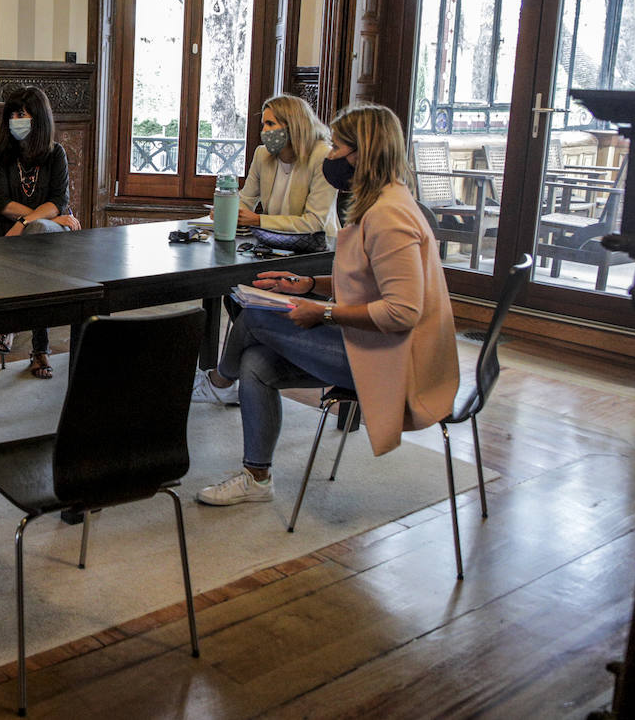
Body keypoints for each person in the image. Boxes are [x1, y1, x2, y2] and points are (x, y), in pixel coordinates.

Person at [195, 103, 459, 506]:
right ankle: (257, 478)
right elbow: (369, 280)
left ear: (363, 154)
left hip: (396, 361)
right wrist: (308, 284)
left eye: (337, 148)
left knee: (254, 318)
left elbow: (402, 311)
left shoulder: (391, 216)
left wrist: (324, 311)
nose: (330, 156)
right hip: (370, 344)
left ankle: (218, 379)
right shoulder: (386, 201)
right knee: (257, 363)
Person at [194, 94, 339, 404]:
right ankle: (235, 373)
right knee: (236, 290)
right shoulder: (263, 155)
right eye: (264, 124)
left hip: (314, 255)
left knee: (252, 302)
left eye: (272, 124)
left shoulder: (322, 157)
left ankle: (223, 379)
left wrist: (258, 218)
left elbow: (314, 222)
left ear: (293, 125)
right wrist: (225, 211)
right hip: (271, 248)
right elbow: (244, 201)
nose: (265, 131)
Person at [0, 86, 82, 379]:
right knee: (38, 243)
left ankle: (9, 324)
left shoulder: (56, 154)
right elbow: (0, 202)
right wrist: (41, 219)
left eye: (22, 114)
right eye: (12, 114)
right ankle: (40, 349)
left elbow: (58, 201)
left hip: (41, 235)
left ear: (38, 119)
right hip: (17, 237)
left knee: (38, 232)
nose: (16, 120)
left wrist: (26, 223)